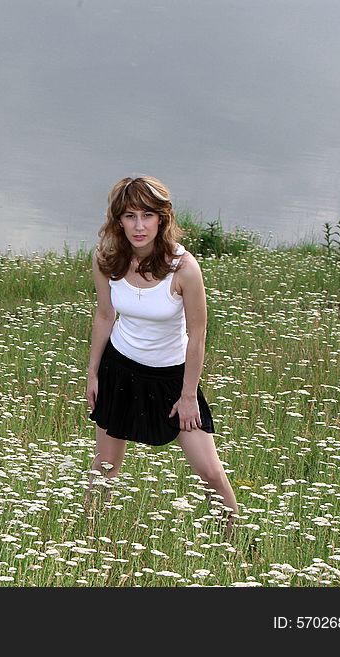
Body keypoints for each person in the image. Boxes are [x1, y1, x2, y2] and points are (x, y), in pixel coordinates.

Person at [86, 175, 239, 534]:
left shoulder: (183, 268)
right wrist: (93, 373)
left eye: (147, 215)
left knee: (210, 470)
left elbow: (197, 335)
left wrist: (188, 396)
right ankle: (89, 537)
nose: (139, 226)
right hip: (119, 370)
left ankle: (235, 541)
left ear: (162, 218)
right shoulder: (106, 260)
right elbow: (105, 315)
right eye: (129, 216)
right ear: (118, 220)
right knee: (106, 466)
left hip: (172, 378)